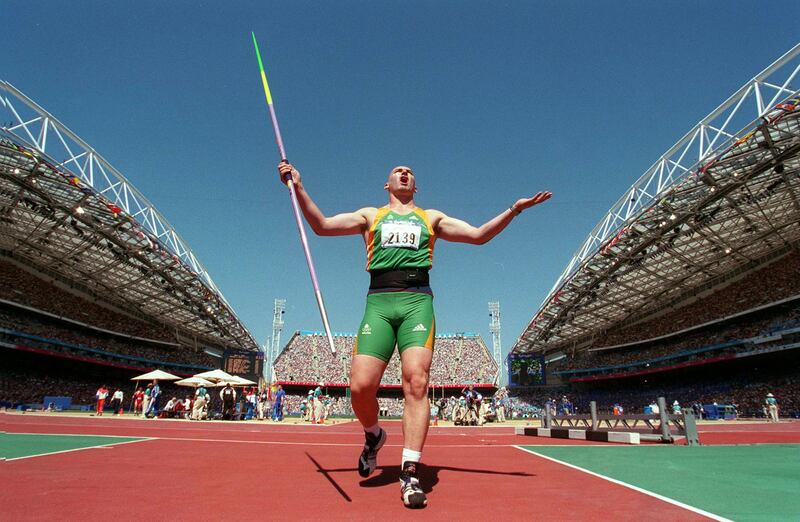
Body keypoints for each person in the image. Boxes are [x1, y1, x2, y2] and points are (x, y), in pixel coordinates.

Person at [280, 159, 552, 509]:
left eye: (409, 172)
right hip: (378, 302)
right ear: (387, 184)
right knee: (360, 388)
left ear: (416, 187)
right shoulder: (370, 216)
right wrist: (299, 187)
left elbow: (479, 235)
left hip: (417, 303)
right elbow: (321, 226)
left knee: (417, 382)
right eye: (397, 171)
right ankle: (374, 435)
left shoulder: (431, 218)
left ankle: (410, 471)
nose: (404, 173)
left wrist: (514, 210)